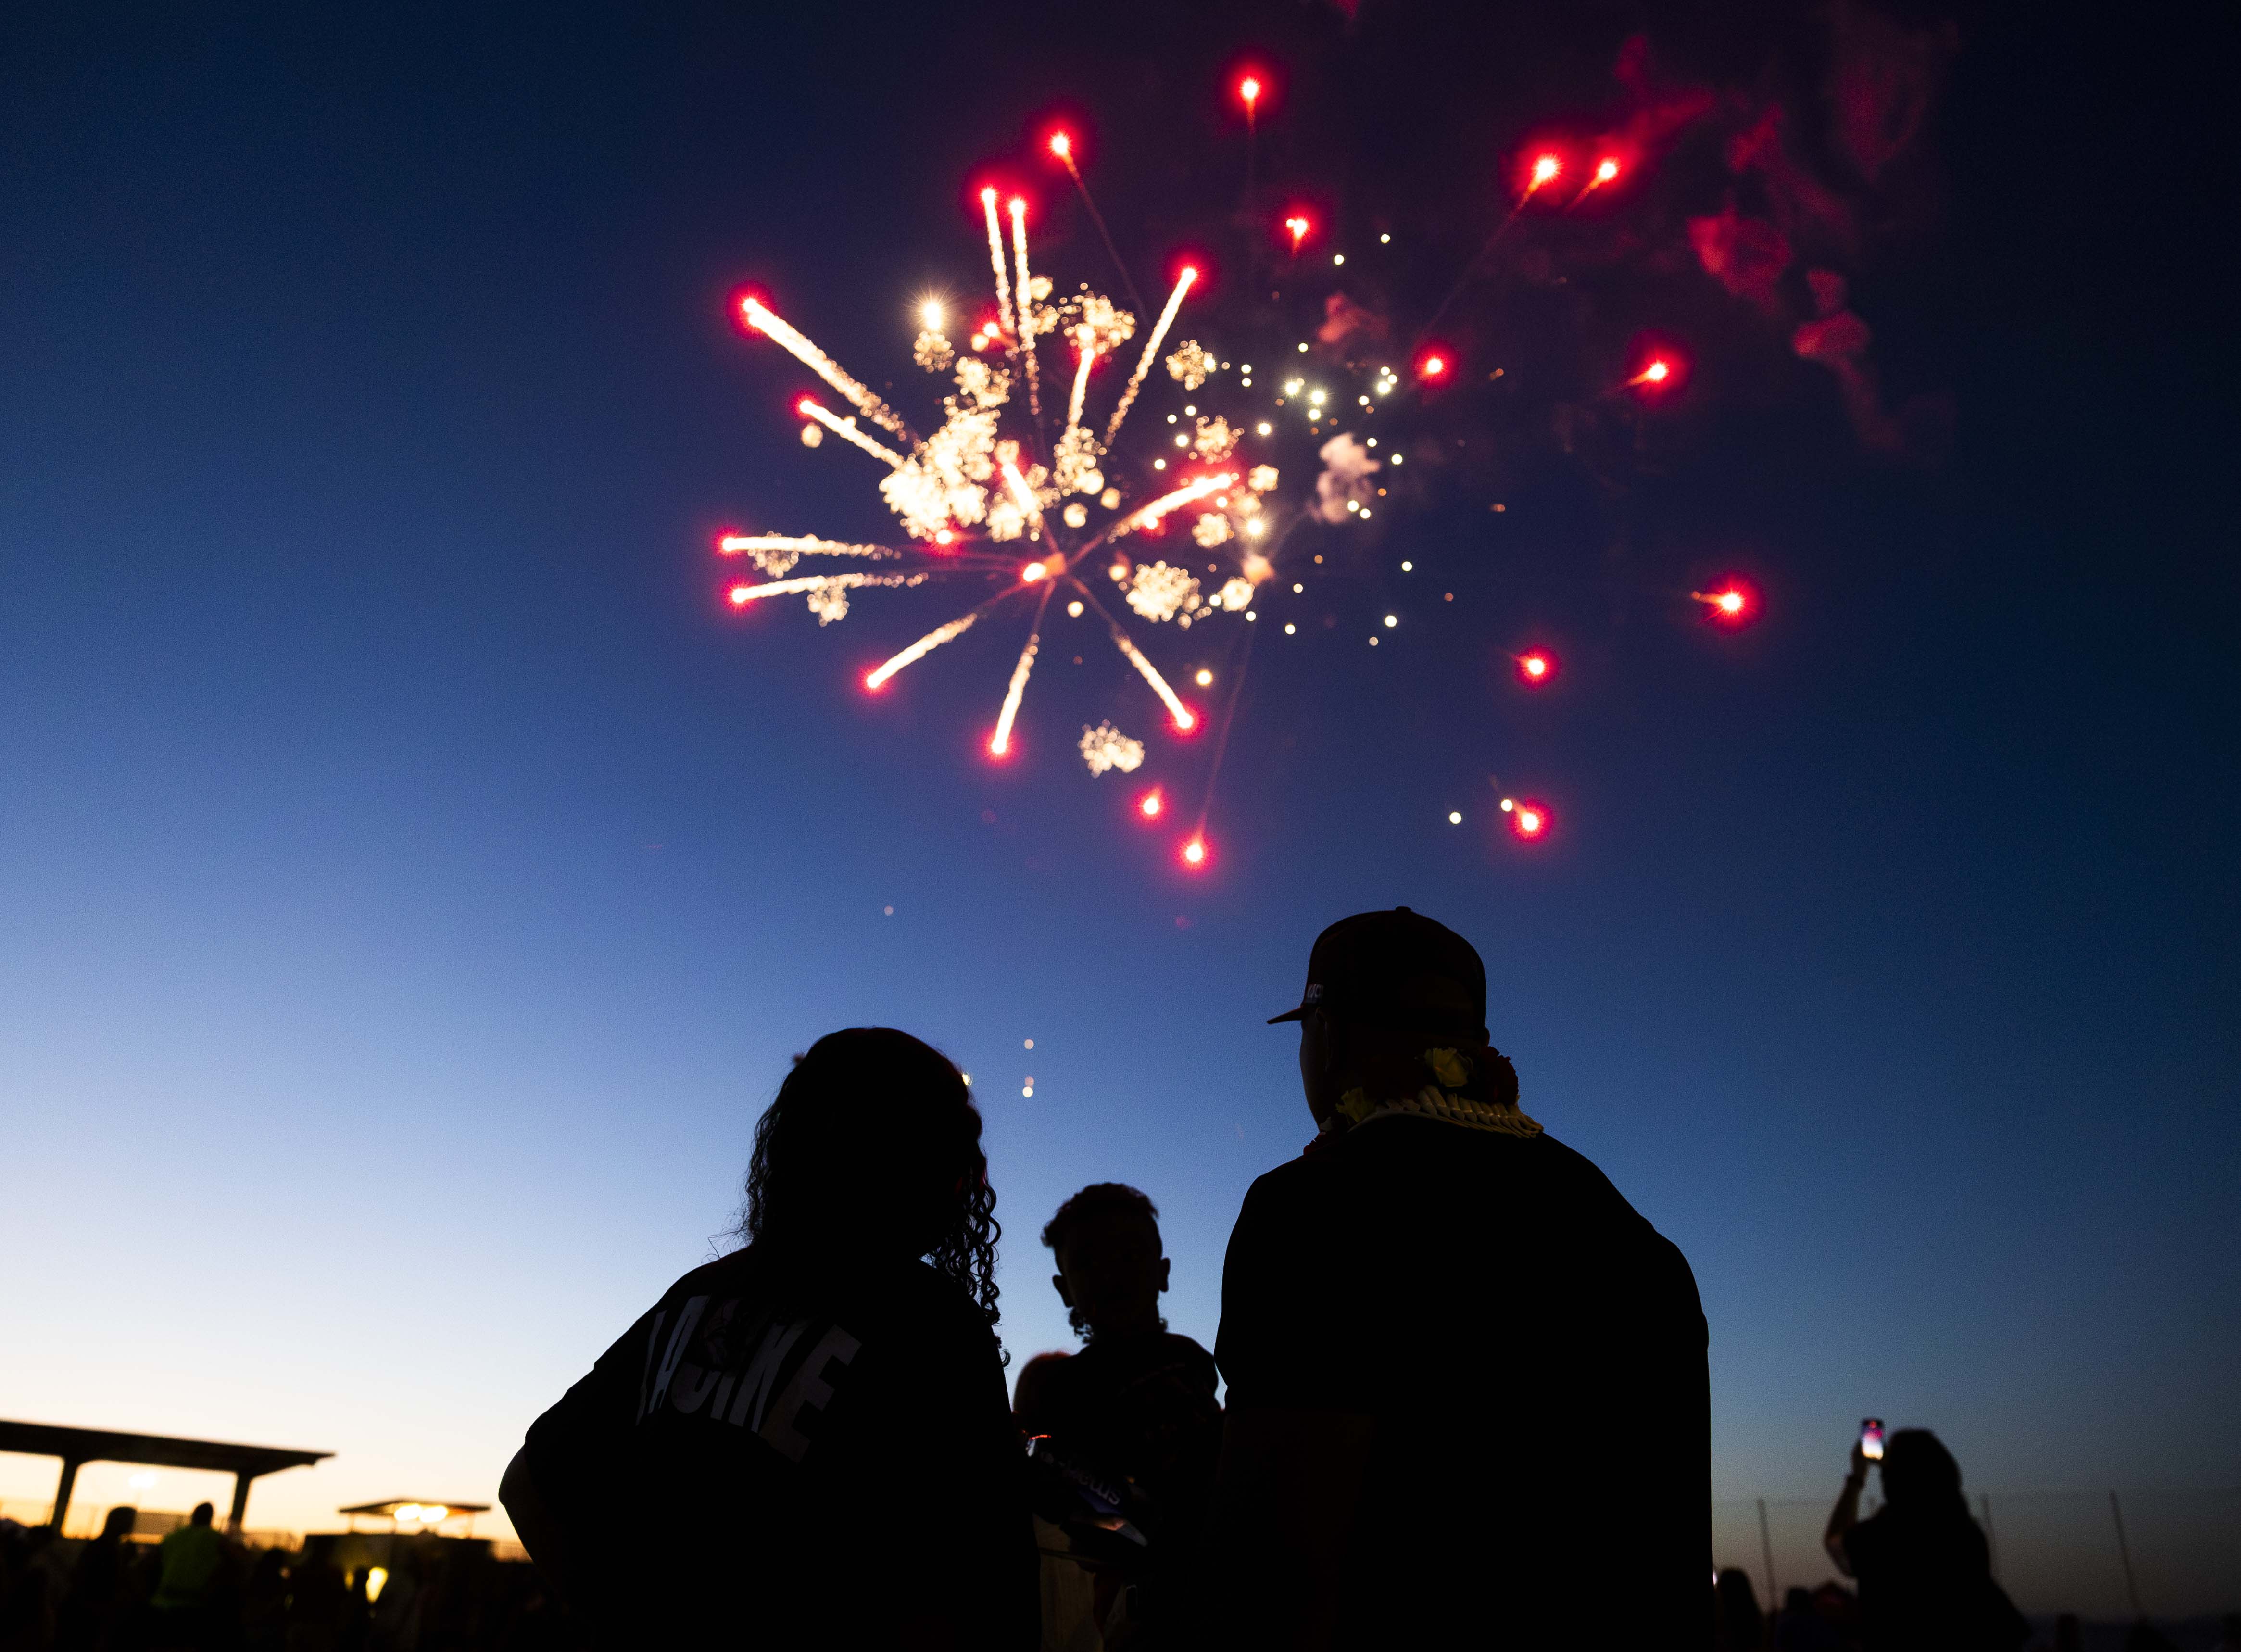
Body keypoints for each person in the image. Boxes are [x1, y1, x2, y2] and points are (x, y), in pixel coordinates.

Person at [1206, 906, 1712, 1649]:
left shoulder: (1315, 1207)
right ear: (1474, 1046)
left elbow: (1275, 1567)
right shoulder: (1631, 1235)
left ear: (1329, 1031)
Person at [501, 1027, 1036, 1650]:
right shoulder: (929, 1319)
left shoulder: (698, 1297)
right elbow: (986, 1581)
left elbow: (530, 1484)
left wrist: (624, 1616)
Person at [1015, 1184, 1222, 1639]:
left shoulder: (1192, 1359)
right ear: (1063, 1287)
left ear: (1163, 1272)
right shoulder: (1060, 1386)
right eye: (1089, 1261)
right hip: (1137, 1596)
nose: (1112, 1275)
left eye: (1130, 1255)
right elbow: (1062, 1501)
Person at [1824, 1427, 2027, 1650]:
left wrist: (1856, 1479)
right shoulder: (1967, 1534)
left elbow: (1836, 1541)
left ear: (1892, 1479)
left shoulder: (1883, 1536)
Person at [150, 1501, 229, 1643]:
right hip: (192, 1606)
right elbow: (237, 1563)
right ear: (211, 1518)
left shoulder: (173, 1537)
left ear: (193, 1516)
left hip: (161, 1602)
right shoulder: (215, 1538)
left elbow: (149, 1564)